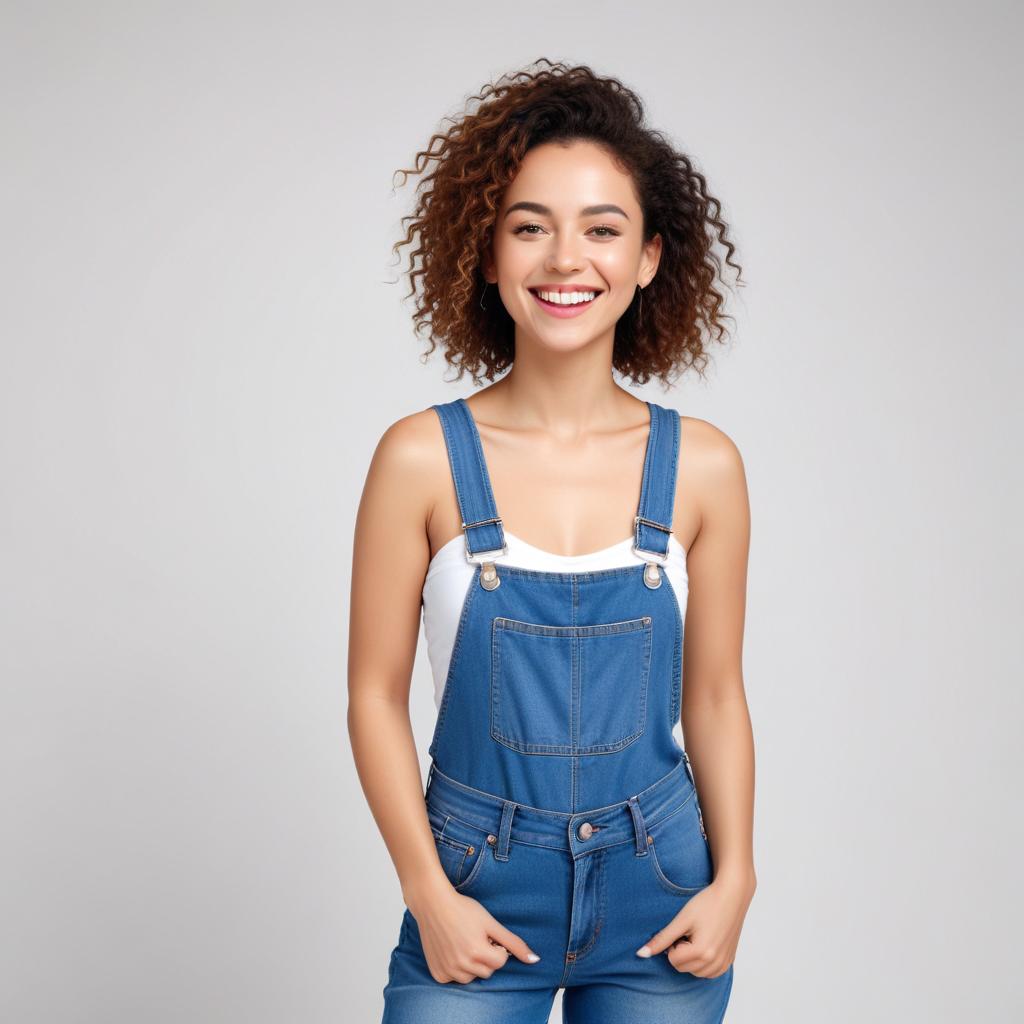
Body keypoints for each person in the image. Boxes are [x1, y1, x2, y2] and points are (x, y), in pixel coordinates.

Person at [348, 59, 756, 1023]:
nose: (566, 259)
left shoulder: (704, 467)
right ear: (486, 255)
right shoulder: (418, 458)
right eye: (530, 227)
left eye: (601, 230)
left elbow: (714, 695)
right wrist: (427, 893)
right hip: (475, 891)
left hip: (661, 892)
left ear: (649, 258)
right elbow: (372, 695)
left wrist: (737, 878)